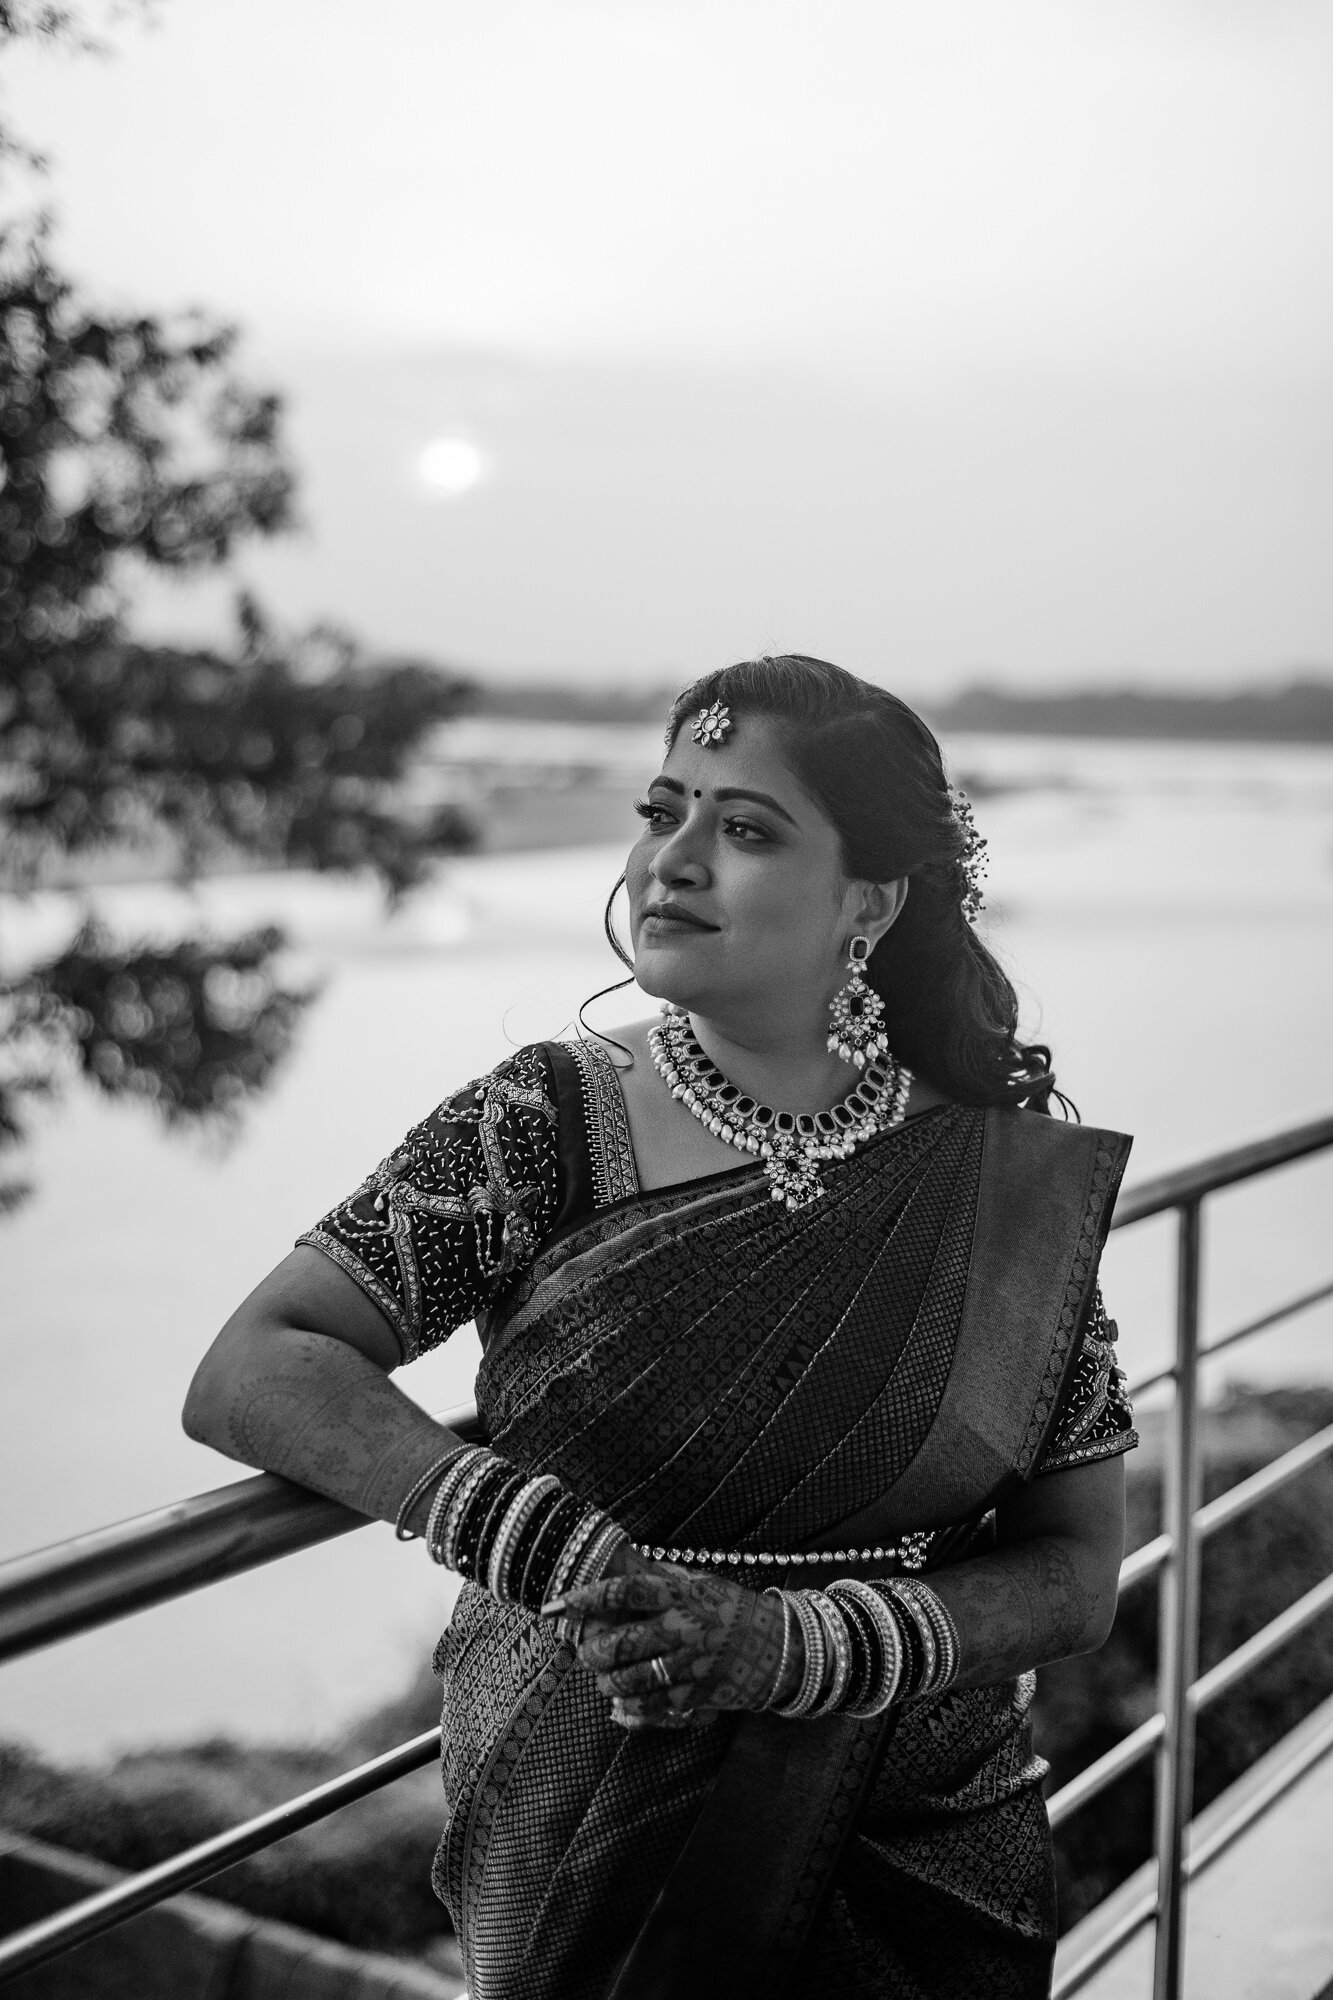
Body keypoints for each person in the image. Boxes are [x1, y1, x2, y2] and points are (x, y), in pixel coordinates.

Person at [184, 655, 1137, 2000]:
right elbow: (255, 1367)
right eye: (660, 810)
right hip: (581, 1817)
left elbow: (1076, 1573)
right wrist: (548, 1543)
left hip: (915, 1845)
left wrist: (791, 1651)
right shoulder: (545, 1122)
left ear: (867, 898)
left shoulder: (996, 1182)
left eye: (744, 828)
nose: (672, 860)